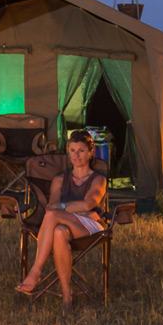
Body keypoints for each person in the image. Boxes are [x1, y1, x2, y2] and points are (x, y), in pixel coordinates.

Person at [16, 130, 107, 310]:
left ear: (91, 152)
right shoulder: (59, 179)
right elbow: (51, 206)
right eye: (72, 150)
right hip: (68, 223)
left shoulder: (98, 179)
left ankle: (36, 272)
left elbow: (88, 203)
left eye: (81, 150)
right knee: (58, 232)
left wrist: (72, 209)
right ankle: (67, 295)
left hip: (90, 226)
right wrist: (81, 210)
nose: (76, 155)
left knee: (53, 216)